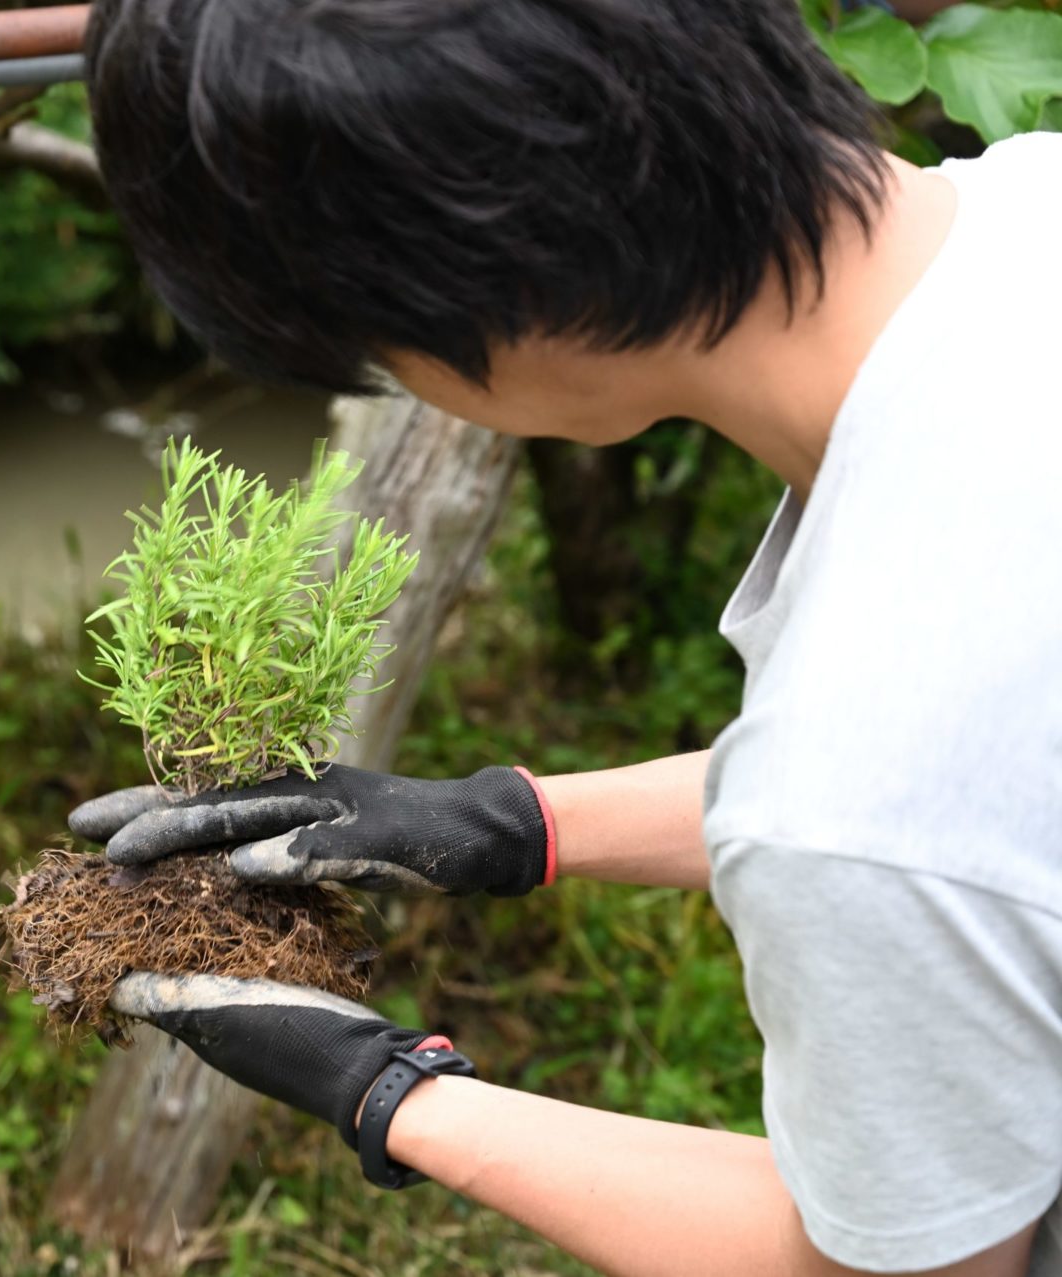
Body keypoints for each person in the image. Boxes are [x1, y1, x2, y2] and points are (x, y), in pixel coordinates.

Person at [67, 0, 1062, 1273]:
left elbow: (888, 1264)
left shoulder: (855, 785)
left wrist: (393, 1091)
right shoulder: (1029, 208)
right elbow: (993, 787)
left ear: (488, 304)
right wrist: (514, 822)